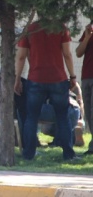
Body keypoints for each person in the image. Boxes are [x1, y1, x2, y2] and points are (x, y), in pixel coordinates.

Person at [15, 19, 78, 161]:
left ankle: (29, 154)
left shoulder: (30, 29)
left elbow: (21, 56)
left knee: (31, 117)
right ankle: (68, 154)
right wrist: (72, 76)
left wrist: (17, 78)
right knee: (63, 117)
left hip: (35, 78)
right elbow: (67, 54)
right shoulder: (61, 27)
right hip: (58, 78)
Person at [0, 17, 30, 147]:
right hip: (22, 76)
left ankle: (5, 142)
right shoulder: (22, 32)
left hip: (1, 76)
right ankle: (24, 143)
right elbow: (28, 55)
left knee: (4, 110)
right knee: (23, 112)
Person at [39, 82, 84, 147]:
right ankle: (69, 136)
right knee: (66, 122)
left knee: (45, 128)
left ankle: (59, 140)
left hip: (55, 109)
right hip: (74, 109)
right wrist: (81, 119)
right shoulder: (73, 83)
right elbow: (80, 101)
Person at [75, 21, 93, 155]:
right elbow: (78, 53)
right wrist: (87, 37)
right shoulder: (89, 31)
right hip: (87, 76)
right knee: (88, 112)